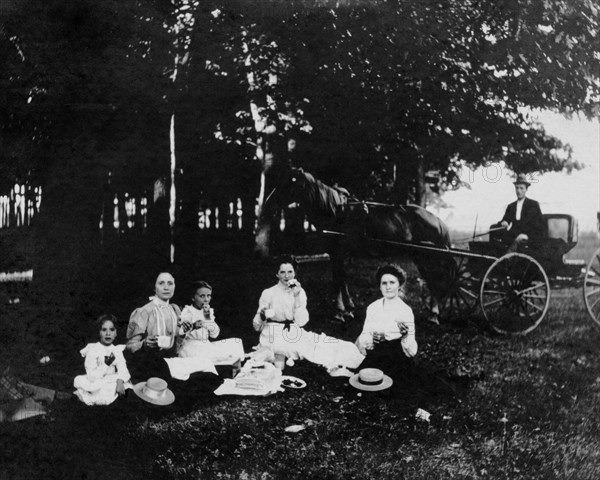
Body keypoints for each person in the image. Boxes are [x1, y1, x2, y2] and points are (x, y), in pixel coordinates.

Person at [252, 255, 364, 373]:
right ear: (277, 274)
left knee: (324, 342)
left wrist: (296, 297)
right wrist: (262, 316)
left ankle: (354, 355)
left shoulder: (299, 292)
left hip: (294, 331)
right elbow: (257, 326)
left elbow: (301, 322)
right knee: (312, 351)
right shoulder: (269, 293)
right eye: (282, 272)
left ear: (295, 273)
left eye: (290, 271)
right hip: (273, 336)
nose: (286, 276)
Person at [124, 272, 221, 401]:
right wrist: (144, 343)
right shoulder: (143, 311)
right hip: (150, 362)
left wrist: (181, 334)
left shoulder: (175, 309)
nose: (166, 287)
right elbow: (129, 347)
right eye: (161, 283)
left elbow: (176, 349)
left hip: (171, 360)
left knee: (206, 364)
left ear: (174, 287)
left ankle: (175, 387)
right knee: (198, 381)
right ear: (154, 287)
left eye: (170, 283)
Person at [178, 281, 244, 365]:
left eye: (208, 296)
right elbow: (181, 334)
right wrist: (193, 326)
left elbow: (214, 335)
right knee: (208, 359)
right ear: (193, 298)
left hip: (205, 344)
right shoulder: (188, 311)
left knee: (236, 343)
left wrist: (207, 319)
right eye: (202, 296)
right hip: (190, 346)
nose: (206, 299)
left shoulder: (208, 312)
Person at [73, 314, 131, 406]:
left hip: (111, 381)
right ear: (99, 332)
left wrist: (120, 381)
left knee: (117, 387)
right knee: (98, 392)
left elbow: (123, 368)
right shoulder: (93, 350)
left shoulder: (116, 350)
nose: (108, 333)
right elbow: (92, 376)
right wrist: (106, 365)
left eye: (112, 330)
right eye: (104, 330)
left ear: (116, 333)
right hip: (95, 382)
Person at [495, 173, 545, 252]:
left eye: (521, 188)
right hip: (513, 234)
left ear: (526, 189)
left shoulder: (533, 205)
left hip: (528, 237)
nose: (519, 191)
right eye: (517, 188)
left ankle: (506, 260)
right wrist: (504, 222)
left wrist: (528, 236)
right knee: (497, 237)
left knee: (518, 240)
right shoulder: (511, 206)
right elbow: (505, 220)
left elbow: (539, 226)